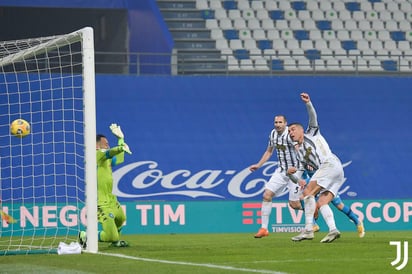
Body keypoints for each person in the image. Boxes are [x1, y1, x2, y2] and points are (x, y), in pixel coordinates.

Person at [287, 92, 345, 243]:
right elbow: (298, 178)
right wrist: (290, 174)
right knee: (322, 202)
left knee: (307, 193)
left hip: (330, 163)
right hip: (335, 170)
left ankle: (308, 230)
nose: (290, 132)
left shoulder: (311, 133)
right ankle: (333, 230)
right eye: (289, 131)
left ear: (301, 130)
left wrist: (308, 103)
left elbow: (313, 117)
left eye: (292, 129)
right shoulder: (300, 155)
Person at [249, 115, 303, 238]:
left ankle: (313, 211)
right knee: (266, 195)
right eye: (276, 122)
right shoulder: (273, 134)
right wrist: (259, 165)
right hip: (282, 170)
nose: (277, 124)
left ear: (285, 123)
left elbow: (300, 150)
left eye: (280, 122)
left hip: (295, 172)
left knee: (294, 204)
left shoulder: (290, 134)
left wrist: (300, 166)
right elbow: (269, 151)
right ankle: (264, 229)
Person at [79, 123, 132, 248]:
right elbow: (111, 152)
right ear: (97, 145)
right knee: (111, 236)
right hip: (101, 202)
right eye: (105, 143)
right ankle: (85, 235)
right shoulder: (95, 155)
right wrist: (120, 147)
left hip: (111, 199)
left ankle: (115, 240)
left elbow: (118, 157)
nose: (108, 145)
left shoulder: (107, 159)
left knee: (121, 218)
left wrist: (121, 139)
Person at [301, 170, 365, 238]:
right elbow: (304, 174)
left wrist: (307, 180)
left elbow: (324, 173)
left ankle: (357, 222)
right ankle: (313, 224)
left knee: (339, 205)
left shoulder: (320, 161)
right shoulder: (303, 162)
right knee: (303, 198)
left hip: (327, 184)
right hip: (315, 185)